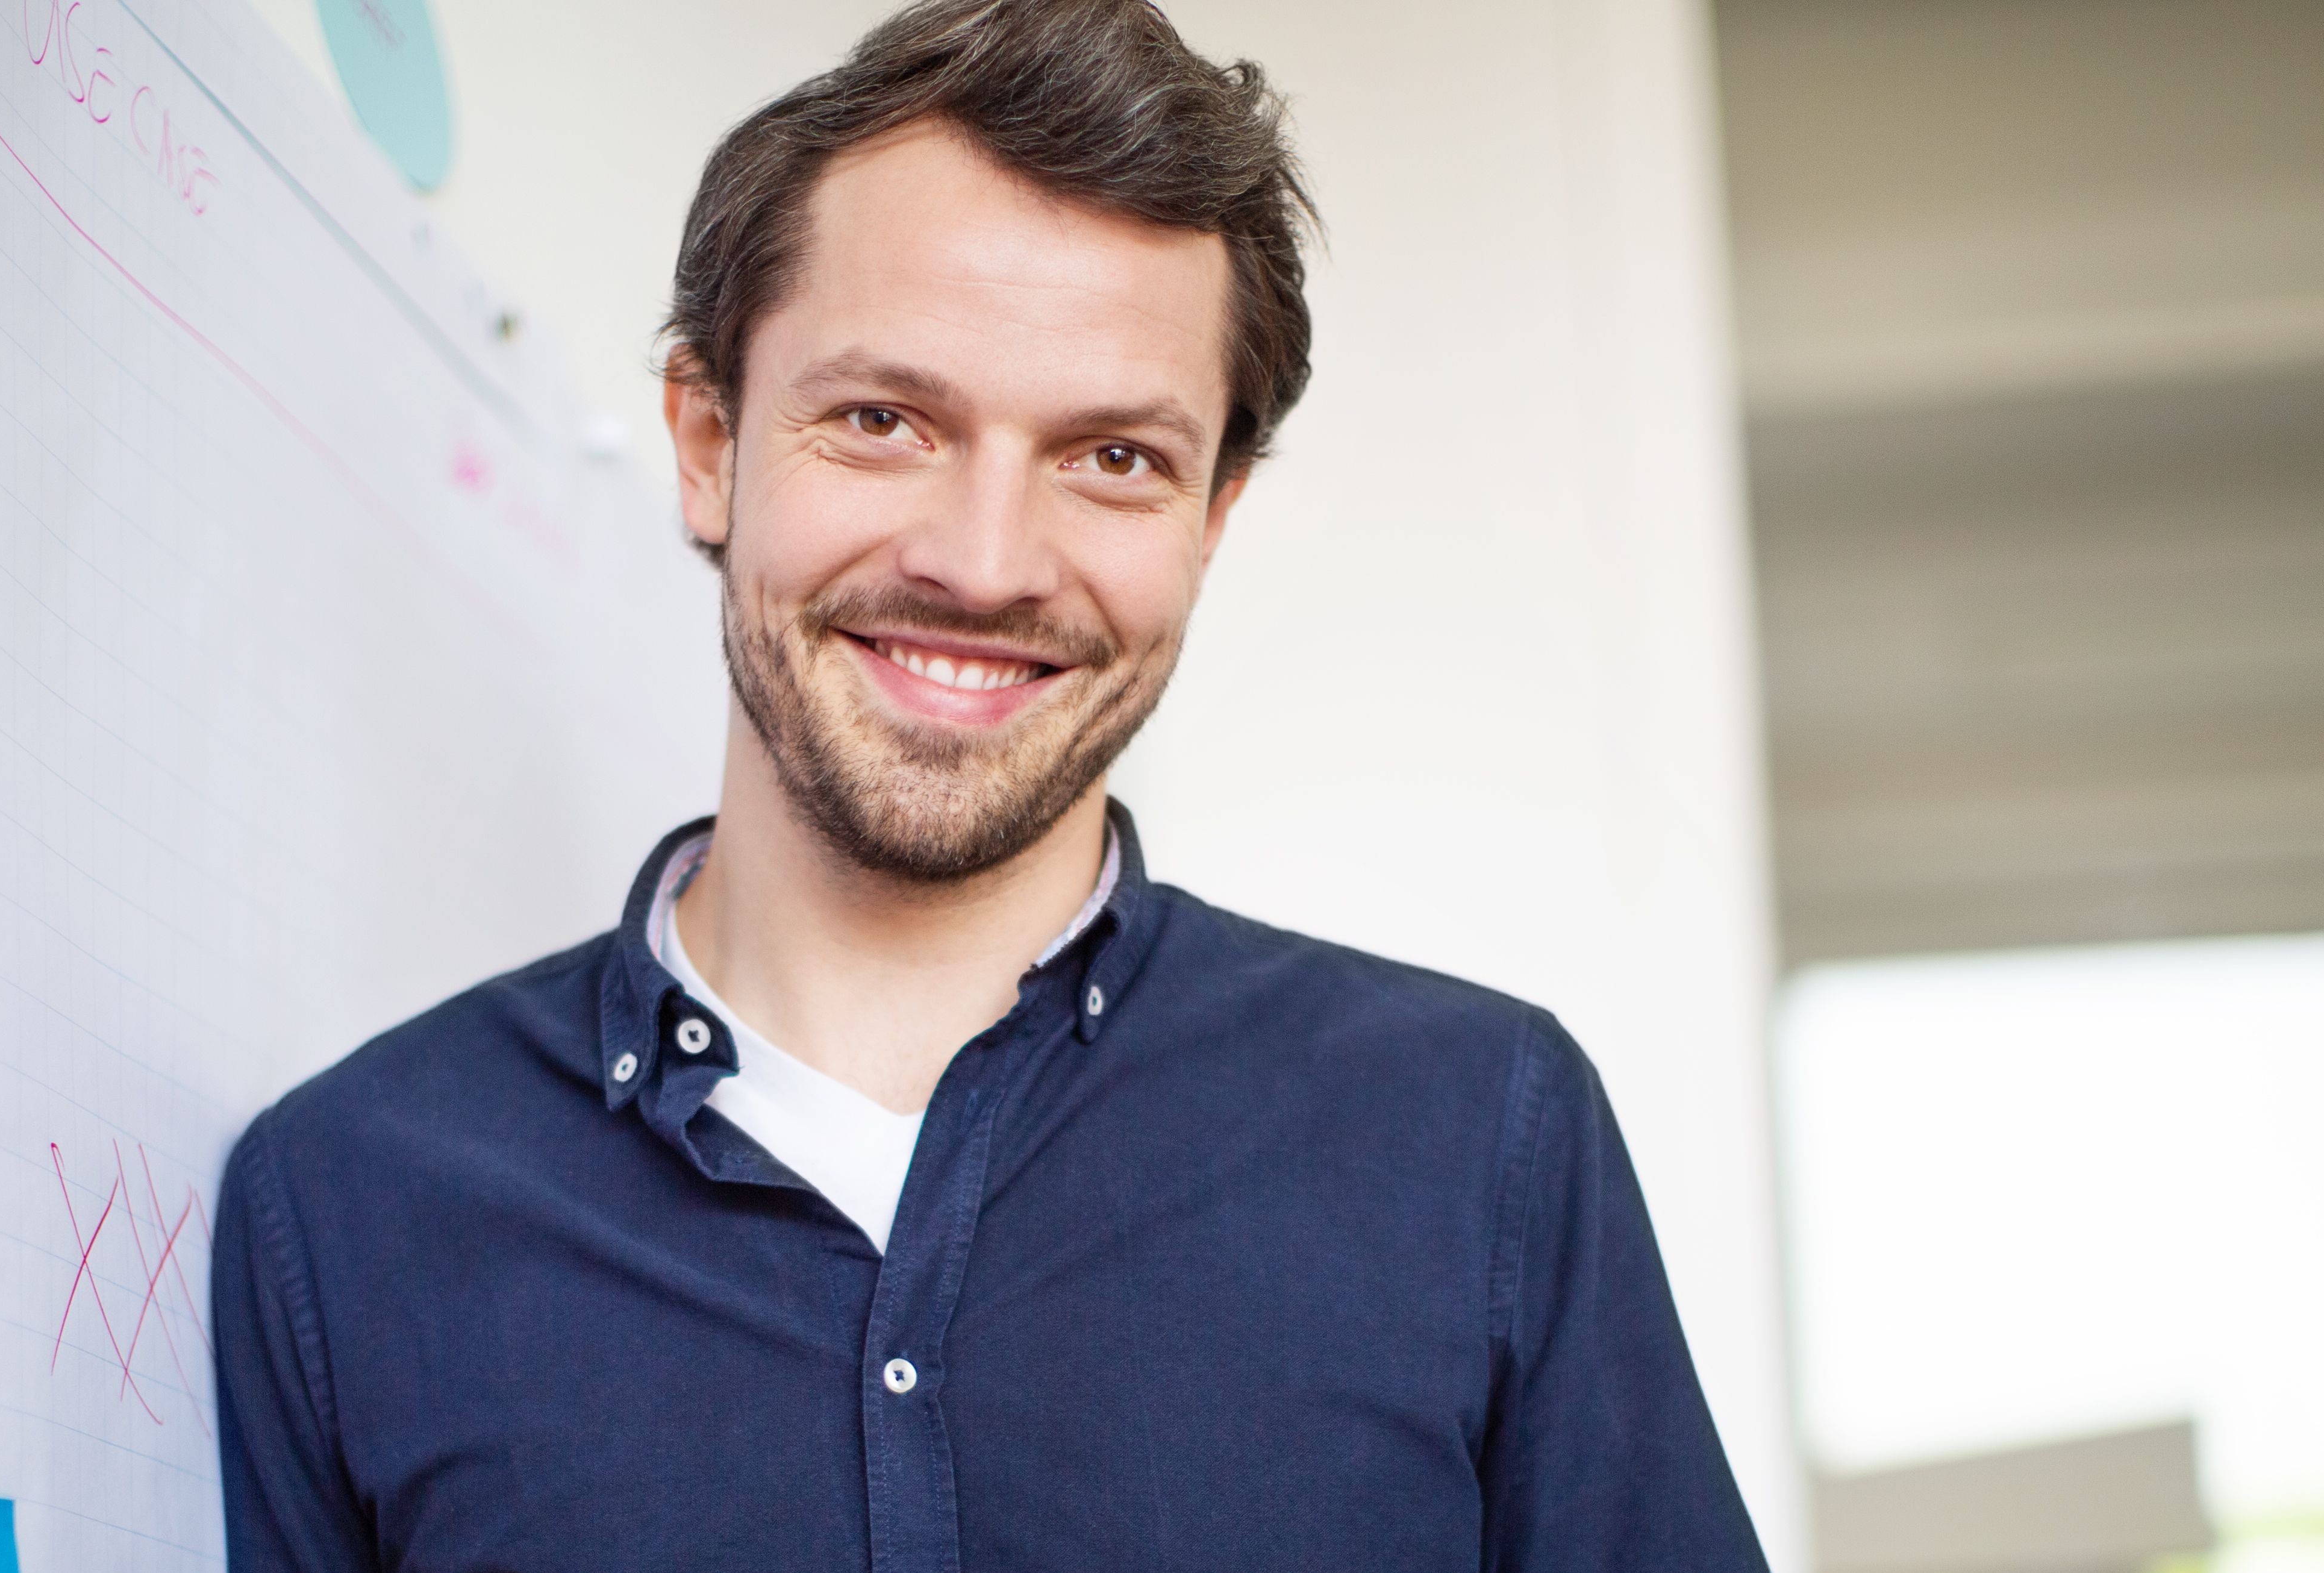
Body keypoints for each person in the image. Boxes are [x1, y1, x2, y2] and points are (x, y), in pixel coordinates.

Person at [211, 1, 1768, 1566]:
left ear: (1213, 516)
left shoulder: (1477, 1139)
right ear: (706, 439)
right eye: (883, 421)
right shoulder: (348, 1205)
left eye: (1114, 459)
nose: (982, 562)